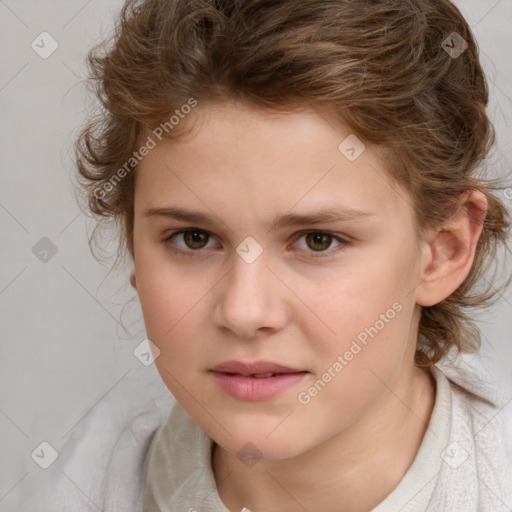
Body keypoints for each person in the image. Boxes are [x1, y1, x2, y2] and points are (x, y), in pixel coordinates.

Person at [27, 0, 512, 511]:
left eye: (317, 240)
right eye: (193, 238)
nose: (244, 311)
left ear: (443, 251)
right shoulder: (86, 477)